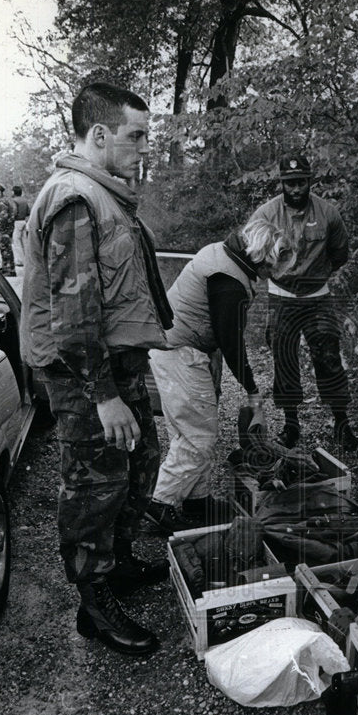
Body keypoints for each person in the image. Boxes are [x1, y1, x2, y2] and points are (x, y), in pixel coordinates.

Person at [21, 81, 175, 657]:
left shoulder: (105, 194)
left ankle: (119, 562)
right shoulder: (75, 199)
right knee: (94, 484)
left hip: (113, 367)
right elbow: (73, 314)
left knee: (140, 462)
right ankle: (93, 600)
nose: (145, 148)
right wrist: (104, 395)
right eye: (137, 136)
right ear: (101, 135)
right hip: (85, 376)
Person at [145, 219, 295, 536]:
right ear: (263, 254)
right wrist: (252, 389)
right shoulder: (228, 280)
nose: (270, 274)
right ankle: (160, 504)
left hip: (180, 347)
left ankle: (196, 501)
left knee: (192, 429)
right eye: (271, 266)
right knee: (198, 436)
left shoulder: (224, 253)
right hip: (181, 353)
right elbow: (231, 342)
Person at [248, 154, 358, 452]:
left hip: (318, 298)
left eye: (301, 182)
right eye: (290, 183)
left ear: (310, 181)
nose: (296, 189)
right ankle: (291, 425)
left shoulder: (328, 213)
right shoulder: (266, 214)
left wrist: (316, 276)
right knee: (284, 360)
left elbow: (340, 253)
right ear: (282, 183)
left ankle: (342, 423)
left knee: (329, 359)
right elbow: (253, 252)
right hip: (282, 298)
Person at [0, 183, 17, 277]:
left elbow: (3, 216)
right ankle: (8, 268)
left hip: (4, 229)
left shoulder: (1, 202)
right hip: (8, 228)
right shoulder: (6, 200)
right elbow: (12, 214)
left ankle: (9, 270)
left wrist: (0, 227)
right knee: (7, 248)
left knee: (5, 249)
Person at [11, 184, 30, 267]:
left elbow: (14, 211)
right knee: (24, 241)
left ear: (14, 192)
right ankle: (27, 259)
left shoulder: (14, 201)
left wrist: (11, 218)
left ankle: (20, 260)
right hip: (24, 221)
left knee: (16, 241)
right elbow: (28, 212)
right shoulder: (24, 200)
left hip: (17, 221)